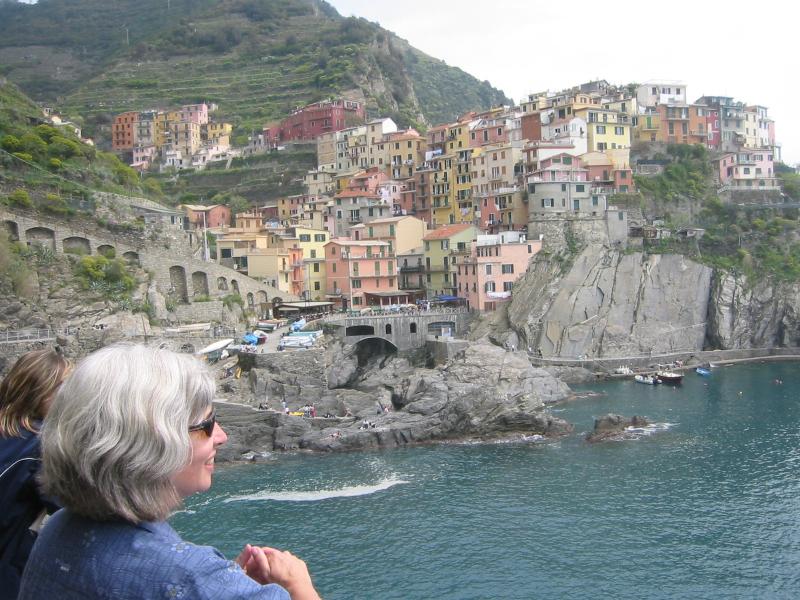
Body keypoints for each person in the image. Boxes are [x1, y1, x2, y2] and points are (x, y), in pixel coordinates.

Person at [19, 344, 320, 600]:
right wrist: (298, 586)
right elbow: (177, 582)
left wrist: (226, 581)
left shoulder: (57, 531)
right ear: (152, 446)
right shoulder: (191, 578)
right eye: (206, 424)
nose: (222, 436)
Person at [0, 348, 71, 598]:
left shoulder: (10, 432)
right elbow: (70, 510)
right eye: (62, 386)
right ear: (41, 391)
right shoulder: (39, 446)